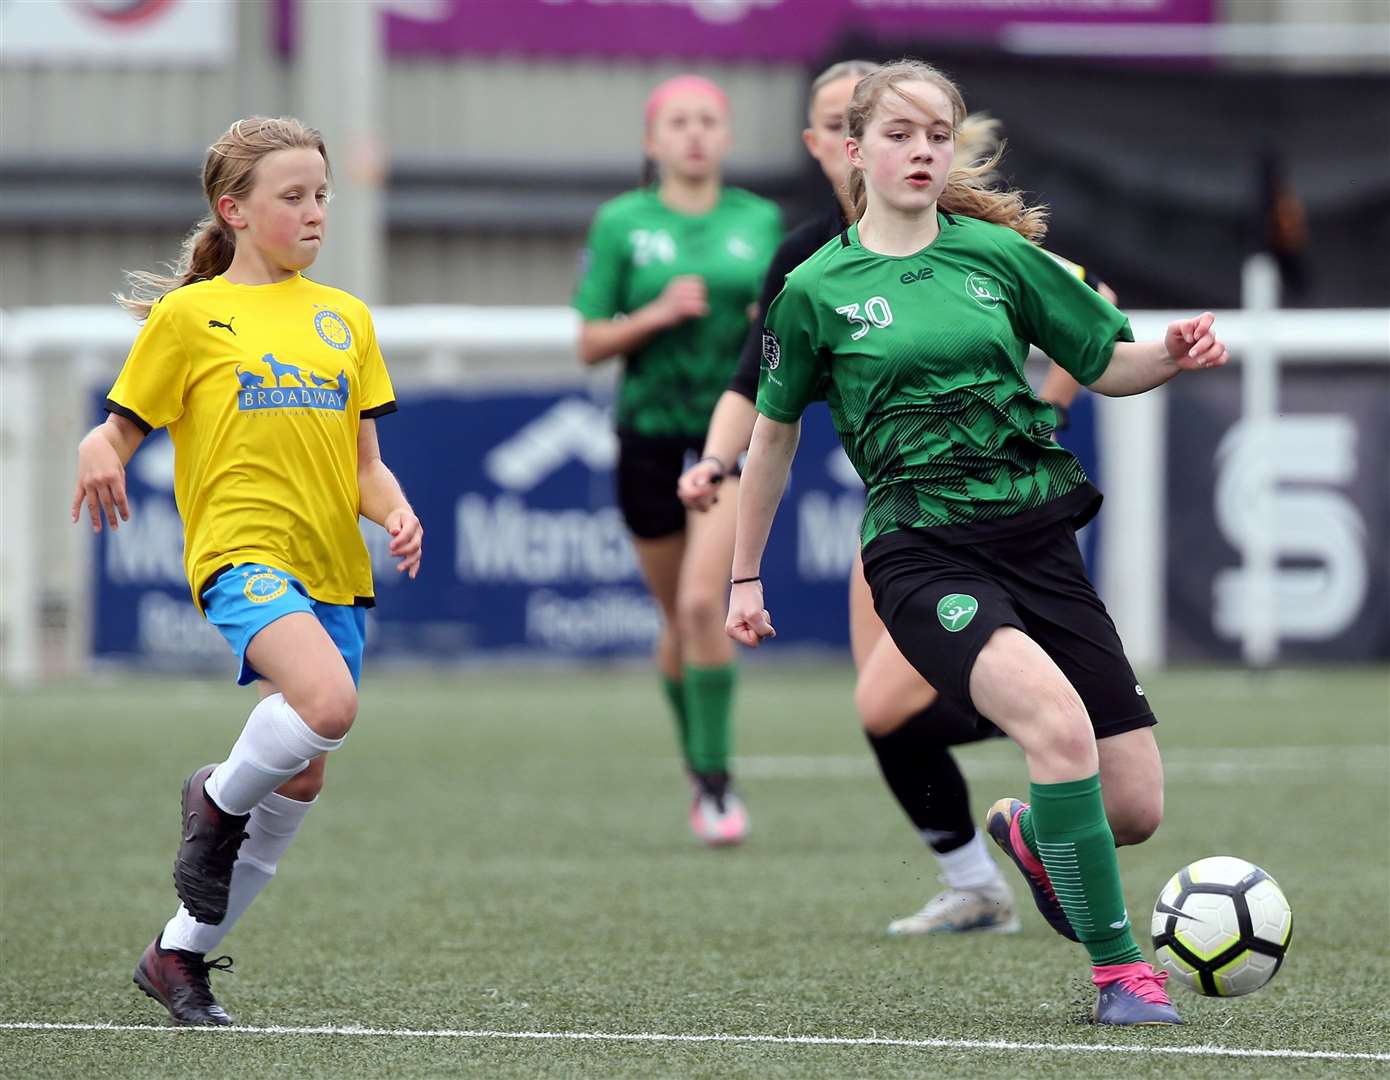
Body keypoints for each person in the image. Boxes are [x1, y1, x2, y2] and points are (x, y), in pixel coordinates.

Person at [725, 60, 1228, 1026]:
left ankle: (1038, 840)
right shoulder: (814, 287)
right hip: (923, 554)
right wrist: (745, 575)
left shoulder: (998, 257)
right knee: (1057, 728)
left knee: (1132, 808)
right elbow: (773, 437)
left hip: (1038, 540)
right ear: (854, 150)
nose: (922, 151)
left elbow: (1105, 363)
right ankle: (1122, 974)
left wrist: (1170, 352)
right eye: (900, 134)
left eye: (937, 135)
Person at [679, 61, 1114, 938]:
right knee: (882, 709)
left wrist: (1049, 411)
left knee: (938, 705)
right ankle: (976, 880)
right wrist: (718, 465)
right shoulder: (808, 262)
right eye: (877, 125)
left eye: (930, 132)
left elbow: (1093, 307)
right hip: (904, 516)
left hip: (1000, 511)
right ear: (833, 144)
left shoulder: (970, 236)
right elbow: (754, 392)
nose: (911, 146)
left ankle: (1045, 752)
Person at [72, 117, 422, 1026]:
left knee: (302, 773)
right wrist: (95, 450)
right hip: (242, 555)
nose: (315, 213)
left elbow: (362, 466)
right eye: (293, 197)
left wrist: (396, 511)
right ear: (234, 211)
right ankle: (214, 801)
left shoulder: (345, 315)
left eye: (321, 196)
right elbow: (115, 429)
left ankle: (176, 953)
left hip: (332, 568)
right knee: (329, 706)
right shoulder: (191, 318)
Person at [573, 76, 782, 845]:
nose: (694, 135)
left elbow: (782, 329)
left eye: (708, 121)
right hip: (647, 435)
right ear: (652, 140)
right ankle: (700, 769)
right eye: (679, 122)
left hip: (728, 439)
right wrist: (657, 314)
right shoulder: (624, 222)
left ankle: (716, 783)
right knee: (676, 618)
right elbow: (590, 340)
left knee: (702, 606)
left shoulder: (758, 222)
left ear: (726, 137)